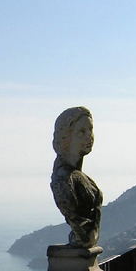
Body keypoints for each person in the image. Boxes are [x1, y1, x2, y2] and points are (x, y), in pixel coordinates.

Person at [50, 106, 102, 248]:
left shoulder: (81, 177)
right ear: (66, 137)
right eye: (82, 132)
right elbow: (78, 223)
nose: (89, 136)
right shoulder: (64, 179)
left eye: (90, 130)